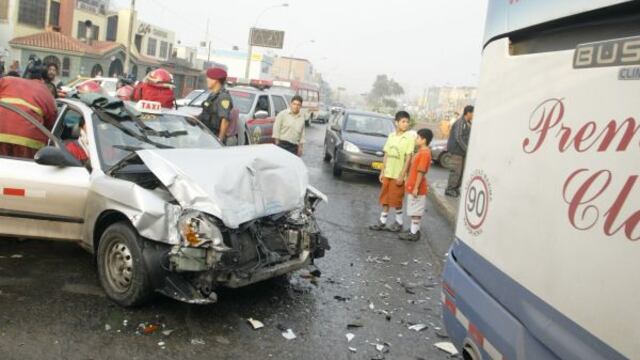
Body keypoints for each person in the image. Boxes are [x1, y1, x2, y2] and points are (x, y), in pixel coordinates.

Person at [370, 111, 415, 232]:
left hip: (398, 175)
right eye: (403, 121)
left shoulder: (409, 138)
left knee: (396, 200)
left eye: (407, 122)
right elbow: (386, 154)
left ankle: (399, 222)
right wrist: (382, 171)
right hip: (388, 173)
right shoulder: (391, 136)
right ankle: (382, 221)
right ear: (396, 123)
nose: (405, 124)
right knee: (385, 198)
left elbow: (408, 158)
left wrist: (402, 175)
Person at [0, 76, 57, 158]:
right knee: (25, 167)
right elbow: (52, 120)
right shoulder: (44, 90)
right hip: (29, 139)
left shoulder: (7, 80)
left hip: (1, 130)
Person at [399, 128, 433, 241]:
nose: (416, 139)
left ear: (424, 140)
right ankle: (414, 230)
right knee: (414, 210)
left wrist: (416, 187)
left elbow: (421, 171)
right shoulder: (421, 151)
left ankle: (413, 233)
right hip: (413, 186)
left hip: (417, 188)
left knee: (415, 211)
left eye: (418, 137)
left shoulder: (424, 153)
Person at [198, 67, 233, 143]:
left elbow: (225, 120)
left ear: (215, 81)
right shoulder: (212, 95)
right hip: (206, 134)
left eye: (209, 78)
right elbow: (205, 114)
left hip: (214, 138)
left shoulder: (223, 97)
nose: (207, 80)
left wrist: (219, 140)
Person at [445, 105, 474, 197]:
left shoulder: (469, 123)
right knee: (456, 171)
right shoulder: (460, 122)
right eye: (473, 113)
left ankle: (456, 188)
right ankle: (450, 189)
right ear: (468, 113)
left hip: (463, 152)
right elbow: (458, 137)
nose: (474, 115)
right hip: (456, 151)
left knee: (461, 172)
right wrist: (467, 149)